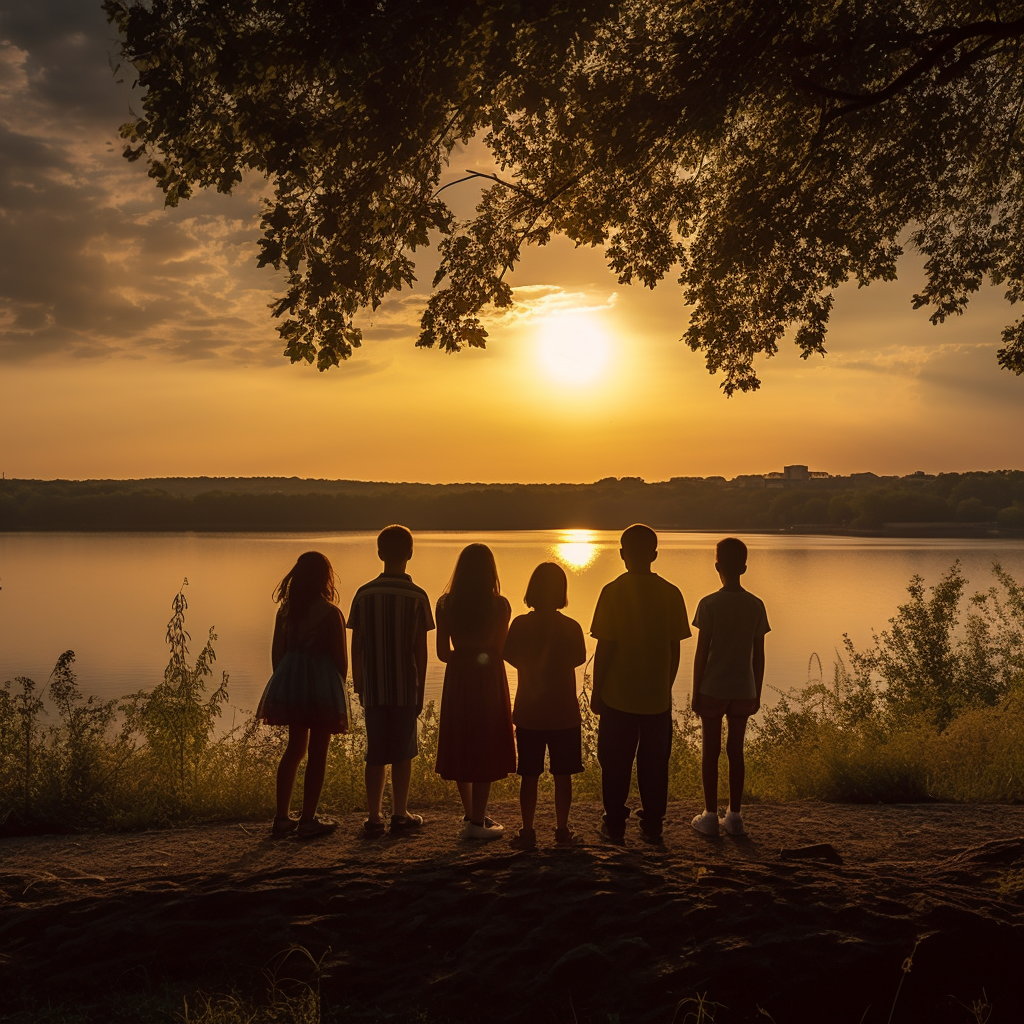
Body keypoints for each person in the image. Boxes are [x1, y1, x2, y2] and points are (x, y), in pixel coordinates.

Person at [590, 524, 690, 843]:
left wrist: (596, 691)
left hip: (617, 696)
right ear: (654, 555)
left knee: (614, 762)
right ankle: (652, 823)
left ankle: (615, 819)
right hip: (657, 698)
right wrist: (667, 683)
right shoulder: (672, 593)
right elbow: (675, 648)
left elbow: (604, 647)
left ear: (622, 555)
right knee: (655, 764)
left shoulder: (612, 591)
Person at [348, 525, 434, 836]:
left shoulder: (363, 594)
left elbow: (356, 646)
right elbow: (420, 652)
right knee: (403, 751)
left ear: (380, 553)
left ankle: (374, 817)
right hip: (404, 688)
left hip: (374, 687)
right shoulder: (418, 596)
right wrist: (420, 690)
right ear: (410, 554)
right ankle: (400, 813)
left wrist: (359, 684)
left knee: (375, 751)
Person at [257, 551, 349, 840]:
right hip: (322, 686)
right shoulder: (331, 612)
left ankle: (282, 818)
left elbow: (277, 654)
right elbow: (340, 660)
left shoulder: (286, 611)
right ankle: (308, 818)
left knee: (294, 749)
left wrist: (286, 684)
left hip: (292, 683)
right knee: (318, 752)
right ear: (325, 578)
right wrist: (339, 690)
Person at [502, 562, 587, 849]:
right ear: (562, 592)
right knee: (563, 776)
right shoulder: (571, 627)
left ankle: (527, 831)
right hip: (564, 712)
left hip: (529, 711)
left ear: (532, 590)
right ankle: (561, 830)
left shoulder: (520, 625)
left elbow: (510, 655)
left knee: (529, 775)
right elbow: (577, 659)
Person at [435, 543, 516, 840]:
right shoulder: (501, 605)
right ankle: (477, 823)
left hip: (458, 677)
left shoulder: (445, 603)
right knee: (485, 741)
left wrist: (463, 654)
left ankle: (471, 813)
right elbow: (500, 648)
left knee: (463, 739)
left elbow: (443, 652)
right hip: (489, 678)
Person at [690, 537, 770, 838]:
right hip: (744, 688)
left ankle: (710, 815)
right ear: (745, 568)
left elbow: (701, 653)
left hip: (713, 686)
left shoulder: (709, 604)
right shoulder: (756, 605)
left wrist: (696, 691)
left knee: (710, 750)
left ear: (717, 566)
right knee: (736, 750)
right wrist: (757, 692)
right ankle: (734, 816)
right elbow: (758, 654)